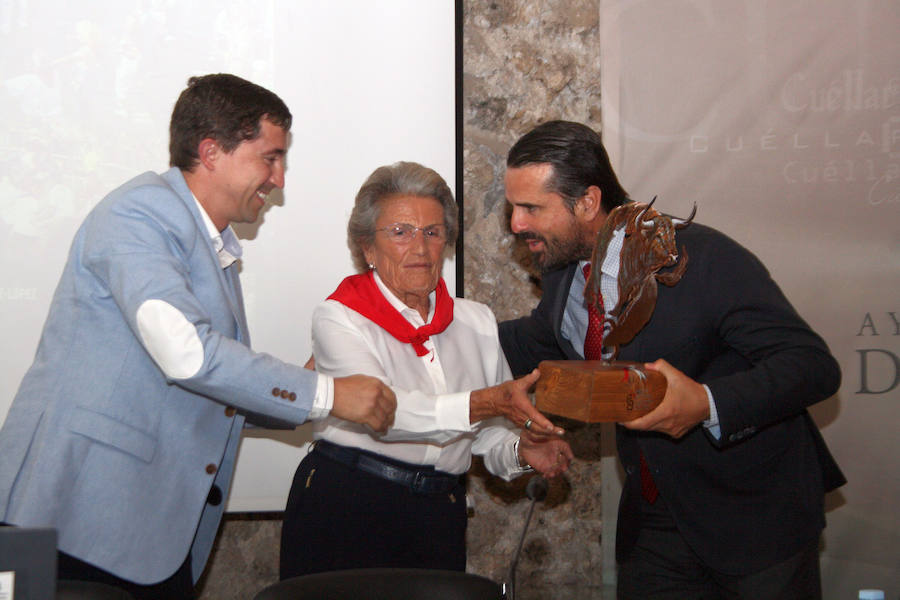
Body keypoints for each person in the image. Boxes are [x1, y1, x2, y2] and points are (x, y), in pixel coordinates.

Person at [0, 74, 396, 599]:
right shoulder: (139, 212)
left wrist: (314, 386)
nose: (278, 179)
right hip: (69, 520)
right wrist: (329, 394)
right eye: (269, 158)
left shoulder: (213, 246)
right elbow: (188, 355)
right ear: (211, 152)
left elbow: (215, 392)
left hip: (147, 535)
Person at [497, 120, 845, 599]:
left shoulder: (698, 257)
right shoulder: (562, 270)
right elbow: (541, 339)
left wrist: (704, 403)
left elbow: (811, 365)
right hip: (655, 522)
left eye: (530, 208)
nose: (516, 223)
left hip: (755, 517)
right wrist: (430, 333)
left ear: (588, 202)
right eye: (513, 207)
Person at [279, 161, 573, 579]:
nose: (419, 247)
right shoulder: (339, 317)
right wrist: (480, 403)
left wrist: (520, 451)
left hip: (439, 512)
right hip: (347, 504)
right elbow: (381, 412)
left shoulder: (475, 321)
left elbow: (489, 434)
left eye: (432, 232)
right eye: (400, 232)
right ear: (367, 247)